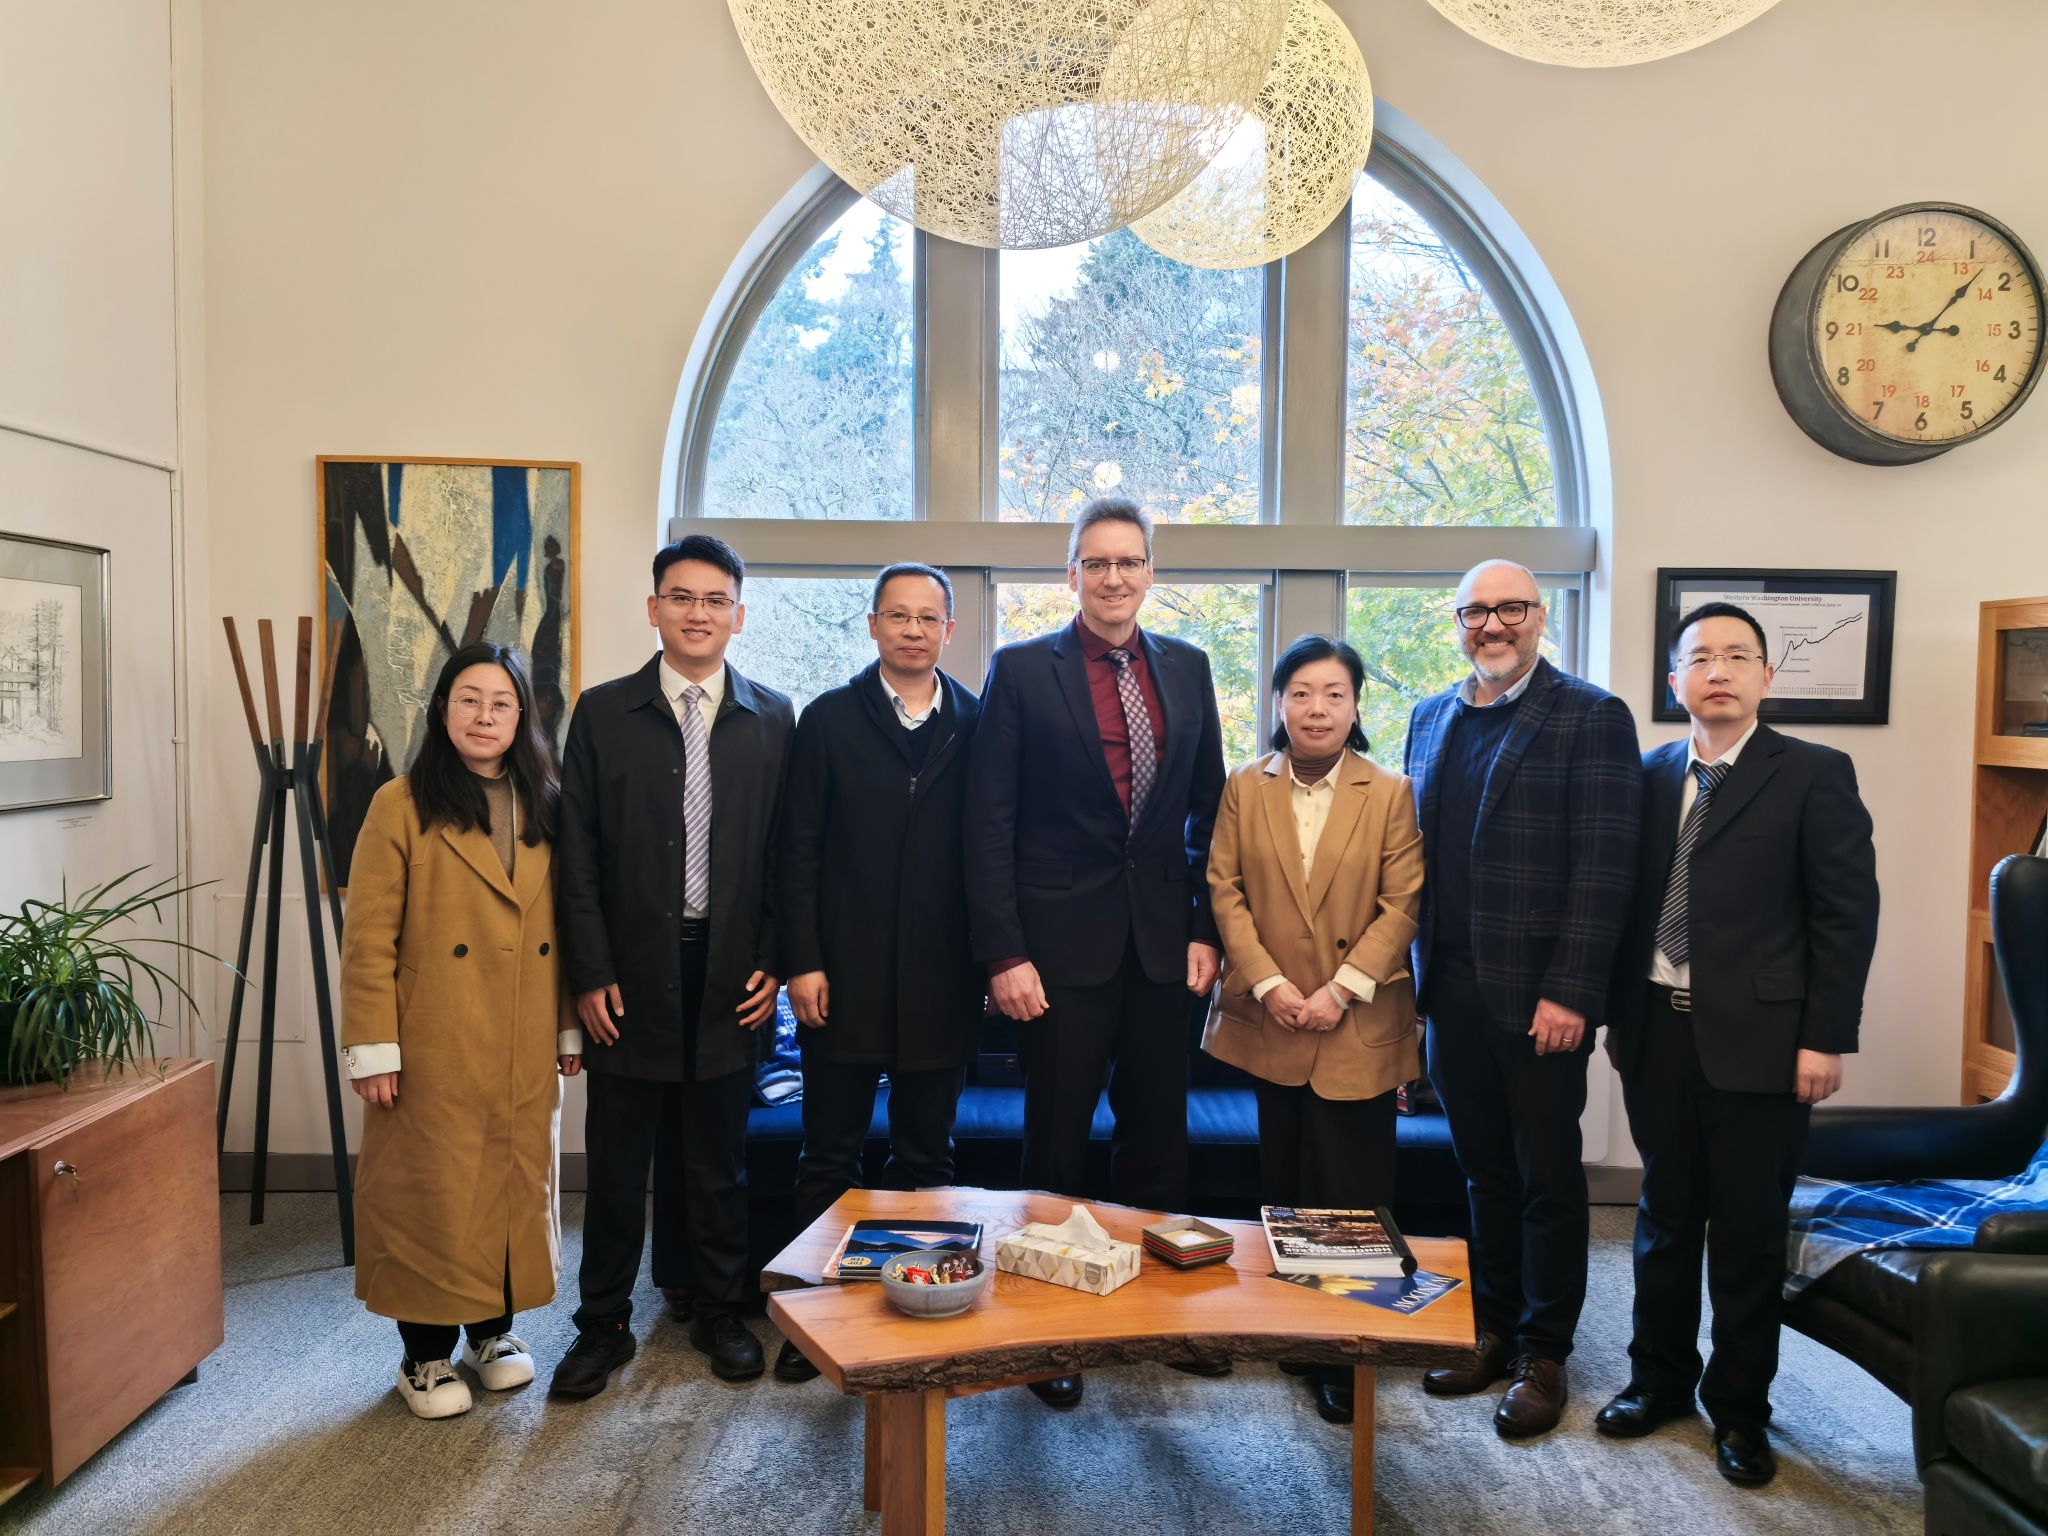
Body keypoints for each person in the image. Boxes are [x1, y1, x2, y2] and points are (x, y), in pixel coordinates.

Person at [1596, 601, 1877, 1486]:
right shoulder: (1647, 775)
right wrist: (1615, 1017)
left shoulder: (1814, 772)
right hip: (1656, 1030)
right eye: (1700, 658)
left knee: (1749, 1236)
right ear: (1674, 679)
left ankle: (1742, 1411)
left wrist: (1824, 1038)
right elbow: (1622, 903)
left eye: (1736, 657)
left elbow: (1845, 916)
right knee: (1663, 1219)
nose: (1717, 671)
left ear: (1766, 676)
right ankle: (1658, 1381)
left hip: (1766, 1042)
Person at [964, 496, 1226, 1411]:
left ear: (1151, 572)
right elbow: (987, 822)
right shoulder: (1021, 670)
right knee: (1057, 1143)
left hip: (1162, 950)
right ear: (1071, 574)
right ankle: (1049, 1331)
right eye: (1097, 562)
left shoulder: (1189, 668)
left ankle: (1158, 1315)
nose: (1115, 577)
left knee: (1160, 1141)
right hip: (1054, 953)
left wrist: (1206, 929)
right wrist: (1004, 954)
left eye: (1130, 561)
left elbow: (1209, 813)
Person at [550, 534, 794, 1396]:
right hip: (628, 972)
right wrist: (589, 973)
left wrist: (774, 960)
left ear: (739, 615)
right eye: (682, 597)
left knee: (718, 1160)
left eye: (715, 600)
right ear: (654, 608)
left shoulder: (773, 717)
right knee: (619, 1163)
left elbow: (787, 857)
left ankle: (721, 1309)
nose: (699, 613)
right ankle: (602, 1324)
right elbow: (575, 858)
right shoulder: (603, 713)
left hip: (731, 973)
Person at [1404, 559, 1642, 1438]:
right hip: (1450, 990)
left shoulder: (1591, 715)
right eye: (1475, 611)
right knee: (1482, 1174)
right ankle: (1493, 1328)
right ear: (1457, 622)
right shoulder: (1430, 716)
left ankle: (1546, 1354)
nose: (1492, 625)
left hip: (1543, 999)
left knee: (1547, 1179)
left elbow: (1606, 867)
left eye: (1511, 608)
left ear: (1540, 617)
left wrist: (1573, 992)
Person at [339, 642, 578, 1420]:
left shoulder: (547, 800)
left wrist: (568, 1029)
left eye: (501, 702)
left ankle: (492, 1336)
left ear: (523, 716)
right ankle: (425, 1356)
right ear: (443, 710)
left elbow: (566, 928)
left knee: (510, 1187)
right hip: (434, 1038)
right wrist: (373, 1048)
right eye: (469, 699)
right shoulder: (400, 803)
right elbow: (367, 938)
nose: (484, 715)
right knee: (434, 1196)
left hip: (523, 1036)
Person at [1205, 635, 1424, 1426]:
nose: (1317, 708)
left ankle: (1346, 1351)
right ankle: (1299, 1331)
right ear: (1279, 703)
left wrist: (1341, 989)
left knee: (1352, 1193)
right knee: (1288, 1185)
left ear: (1356, 705)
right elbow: (1224, 888)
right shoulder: (1245, 785)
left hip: (1354, 1018)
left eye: (1334, 693)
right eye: (1301, 692)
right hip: (1275, 1018)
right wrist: (1268, 983)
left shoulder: (1390, 790)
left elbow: (1403, 903)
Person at [774, 562, 983, 1383]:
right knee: (829, 1156)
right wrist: (801, 960)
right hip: (842, 977)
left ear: (948, 630)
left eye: (928, 618)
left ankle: (913, 1314)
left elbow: (994, 848)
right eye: (898, 615)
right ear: (872, 625)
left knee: (926, 1158)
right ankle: (814, 1321)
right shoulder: (828, 718)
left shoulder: (978, 721)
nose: (913, 630)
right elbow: (796, 851)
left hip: (942, 979)